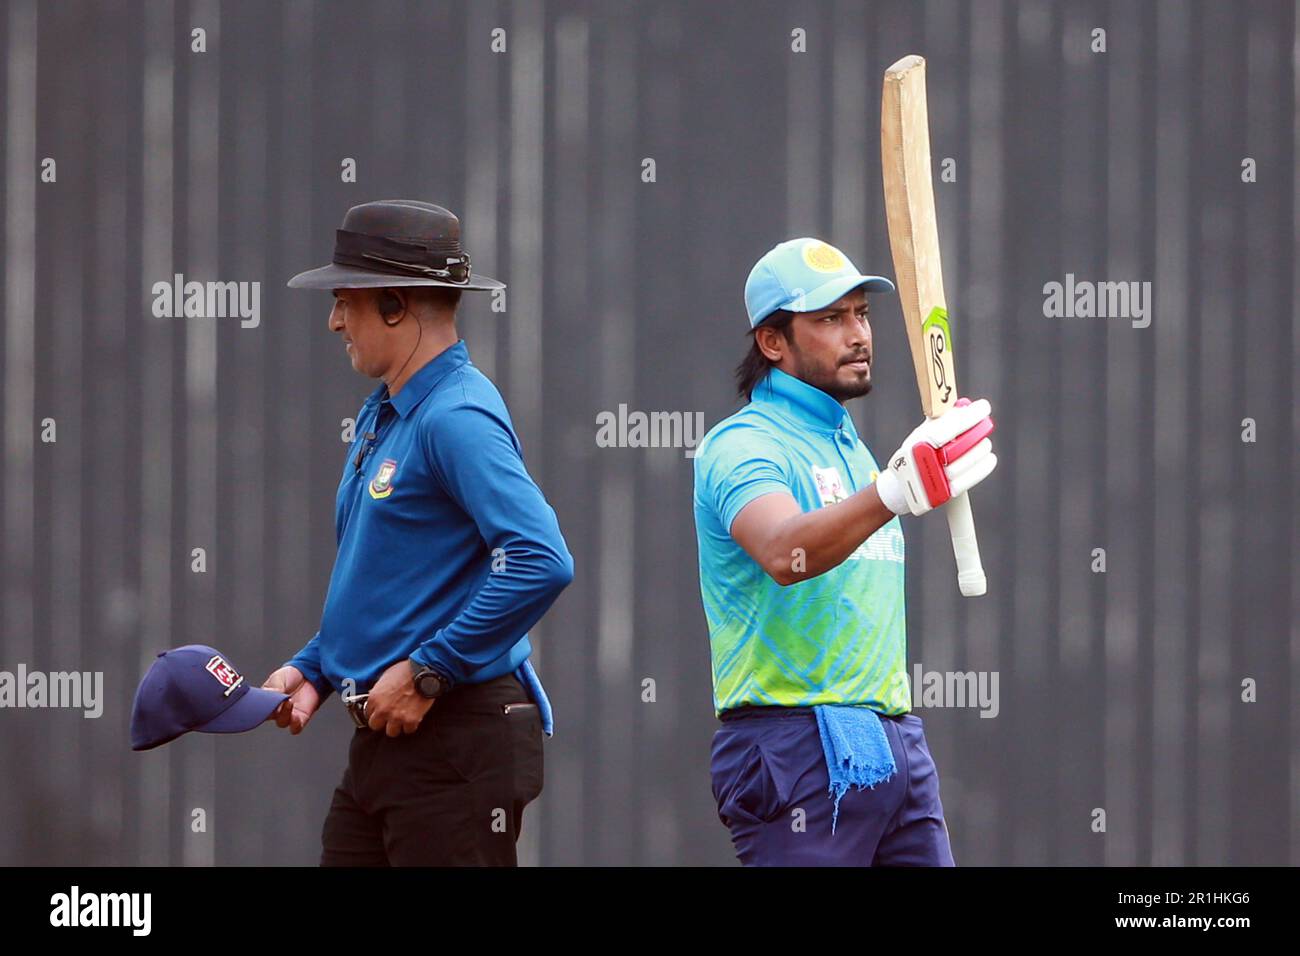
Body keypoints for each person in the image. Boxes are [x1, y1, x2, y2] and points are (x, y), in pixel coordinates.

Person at [263, 199, 574, 866]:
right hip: (387, 742)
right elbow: (389, 579)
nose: (334, 320)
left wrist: (430, 670)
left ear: (397, 305)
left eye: (346, 300)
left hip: (453, 740)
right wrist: (315, 669)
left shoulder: (455, 416)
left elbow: (541, 558)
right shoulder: (390, 413)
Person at [693, 237, 997, 865]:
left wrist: (899, 479)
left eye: (860, 314)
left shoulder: (851, 446)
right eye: (830, 318)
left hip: (893, 741)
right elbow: (783, 554)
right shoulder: (743, 444)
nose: (858, 334)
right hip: (793, 744)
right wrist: (892, 490)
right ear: (772, 342)